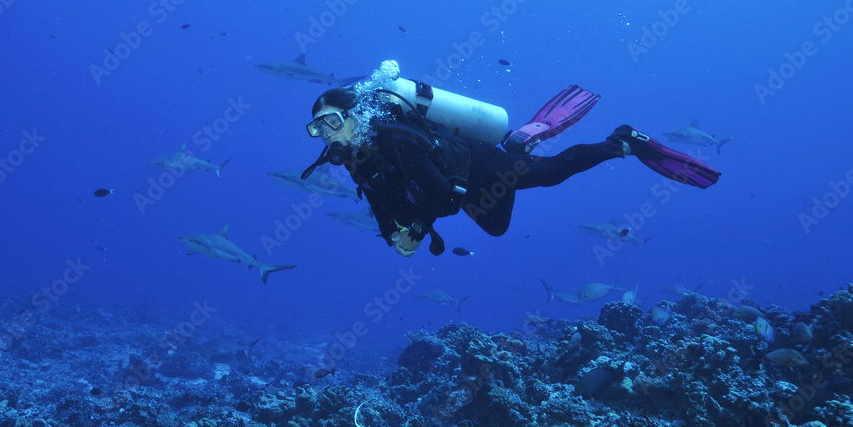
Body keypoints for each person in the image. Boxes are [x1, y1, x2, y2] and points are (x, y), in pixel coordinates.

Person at [303, 65, 720, 257]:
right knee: (497, 227)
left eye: (333, 121)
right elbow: (377, 195)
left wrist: (415, 230)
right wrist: (391, 234)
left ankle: (622, 141)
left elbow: (440, 195)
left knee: (551, 173)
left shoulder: (394, 138)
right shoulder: (356, 157)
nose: (328, 134)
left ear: (355, 115)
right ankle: (518, 146)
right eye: (318, 128)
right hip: (460, 185)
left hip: (478, 165)